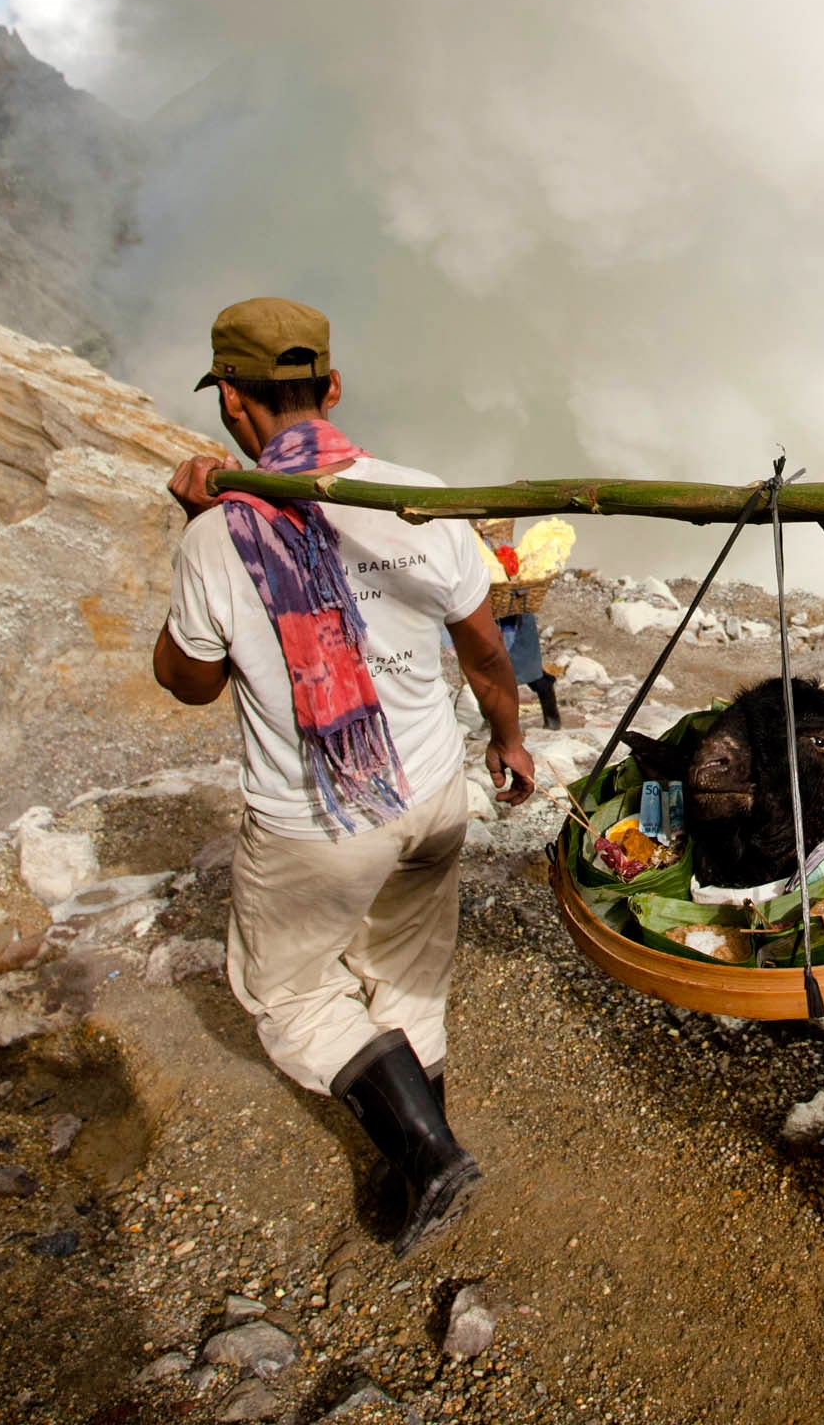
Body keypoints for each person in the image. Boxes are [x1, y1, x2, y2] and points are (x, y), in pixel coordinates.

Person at [152, 296, 537, 1253]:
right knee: (406, 968)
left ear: (231, 400)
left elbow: (188, 682)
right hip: (434, 794)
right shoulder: (421, 501)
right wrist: (509, 741)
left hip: (316, 826)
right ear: (330, 387)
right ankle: (418, 1153)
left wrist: (197, 525)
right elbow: (486, 652)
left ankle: (426, 1154)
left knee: (286, 991)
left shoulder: (217, 538)